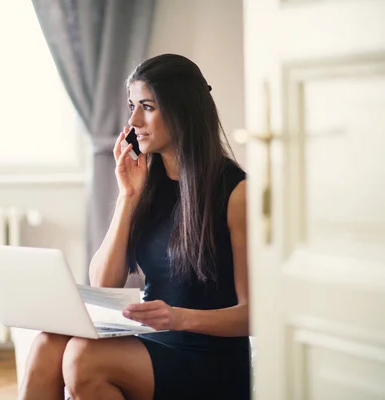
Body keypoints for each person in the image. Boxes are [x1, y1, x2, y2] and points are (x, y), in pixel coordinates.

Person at [18, 53, 251, 400]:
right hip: (151, 342)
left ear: (182, 110)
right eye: (132, 106)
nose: (133, 120)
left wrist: (178, 318)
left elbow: (253, 315)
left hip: (208, 359)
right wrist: (127, 196)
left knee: (85, 358)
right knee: (47, 345)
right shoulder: (147, 184)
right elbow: (103, 280)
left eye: (147, 107)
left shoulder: (235, 192)